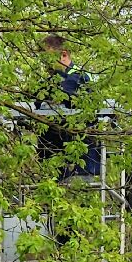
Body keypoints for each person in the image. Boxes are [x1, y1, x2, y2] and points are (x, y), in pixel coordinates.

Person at [36, 35, 98, 179]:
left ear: (63, 55)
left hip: (81, 160)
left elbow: (75, 96)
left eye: (48, 58)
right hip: (51, 157)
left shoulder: (81, 77)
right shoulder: (47, 81)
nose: (45, 64)